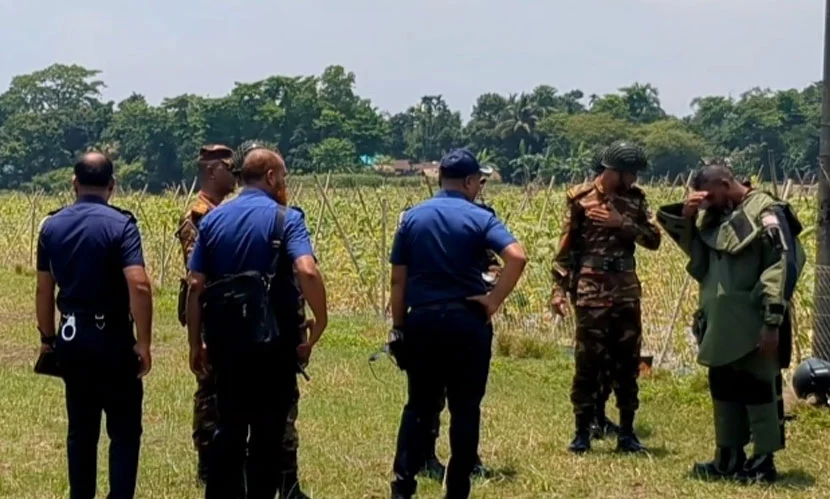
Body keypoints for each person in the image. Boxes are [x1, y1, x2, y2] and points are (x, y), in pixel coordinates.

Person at [186, 146, 328, 498]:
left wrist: (195, 343)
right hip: (274, 347)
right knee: (268, 434)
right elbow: (306, 270)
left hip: (226, 345)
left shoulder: (213, 219)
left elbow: (194, 286)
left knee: (229, 428)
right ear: (270, 177)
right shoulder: (287, 218)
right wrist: (320, 321)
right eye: (283, 178)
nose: (284, 184)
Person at [389, 148, 527, 499]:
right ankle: (457, 490)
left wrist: (400, 327)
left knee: (418, 406)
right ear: (468, 181)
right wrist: (493, 300)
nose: (479, 188)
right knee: (465, 408)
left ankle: (403, 486)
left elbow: (398, 282)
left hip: (423, 321)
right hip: (467, 321)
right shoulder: (480, 217)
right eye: (479, 182)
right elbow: (517, 256)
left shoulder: (411, 218)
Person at [656, 164, 806, 483]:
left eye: (710, 194)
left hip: (753, 321)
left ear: (726, 183)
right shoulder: (715, 217)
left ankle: (763, 462)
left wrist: (771, 322)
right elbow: (699, 256)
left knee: (759, 390)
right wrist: (688, 216)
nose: (707, 201)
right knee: (723, 388)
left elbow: (782, 265)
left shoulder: (766, 210)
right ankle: (728, 456)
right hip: (720, 322)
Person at [35, 152, 153, 499]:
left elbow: (44, 288)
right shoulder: (122, 225)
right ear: (112, 186)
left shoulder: (52, 226)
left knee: (81, 430)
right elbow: (140, 284)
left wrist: (47, 339)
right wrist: (144, 342)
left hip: (72, 337)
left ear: (74, 183)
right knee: (124, 432)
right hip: (114, 338)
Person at [550, 141, 661, 454]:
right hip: (590, 291)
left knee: (627, 363)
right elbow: (566, 250)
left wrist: (622, 223)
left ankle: (627, 432)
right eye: (631, 173)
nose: (635, 179)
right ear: (614, 171)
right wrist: (559, 290)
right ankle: (582, 431)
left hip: (625, 291)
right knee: (588, 363)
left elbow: (653, 240)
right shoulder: (580, 199)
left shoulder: (636, 201)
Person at [175, 144, 237, 485]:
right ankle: (207, 461)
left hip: (228, 312)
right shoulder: (198, 216)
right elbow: (197, 273)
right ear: (213, 171)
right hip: (209, 312)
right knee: (209, 388)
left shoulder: (224, 212)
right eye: (230, 167)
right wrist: (196, 338)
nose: (236, 174)